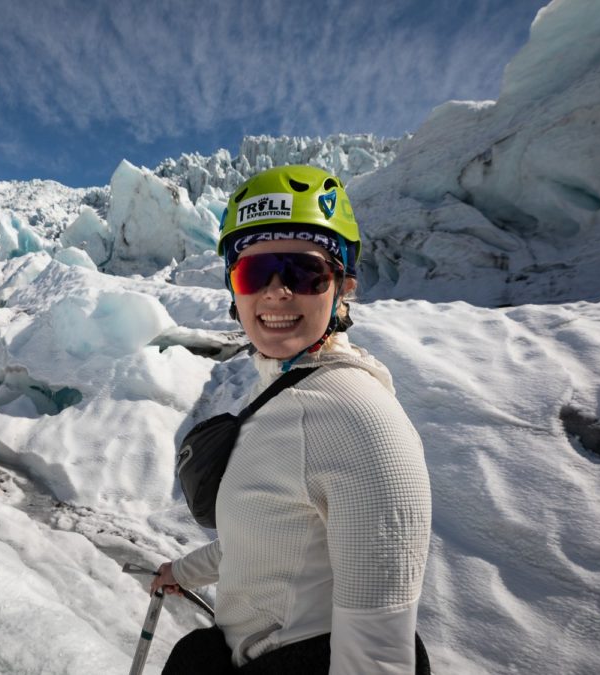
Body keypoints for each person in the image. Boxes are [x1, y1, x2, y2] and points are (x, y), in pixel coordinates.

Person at [152, 165, 432, 673]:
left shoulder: (359, 420)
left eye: (304, 272)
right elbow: (261, 540)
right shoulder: (285, 394)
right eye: (254, 273)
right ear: (234, 291)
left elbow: (377, 657)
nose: (277, 292)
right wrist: (182, 570)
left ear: (342, 285)